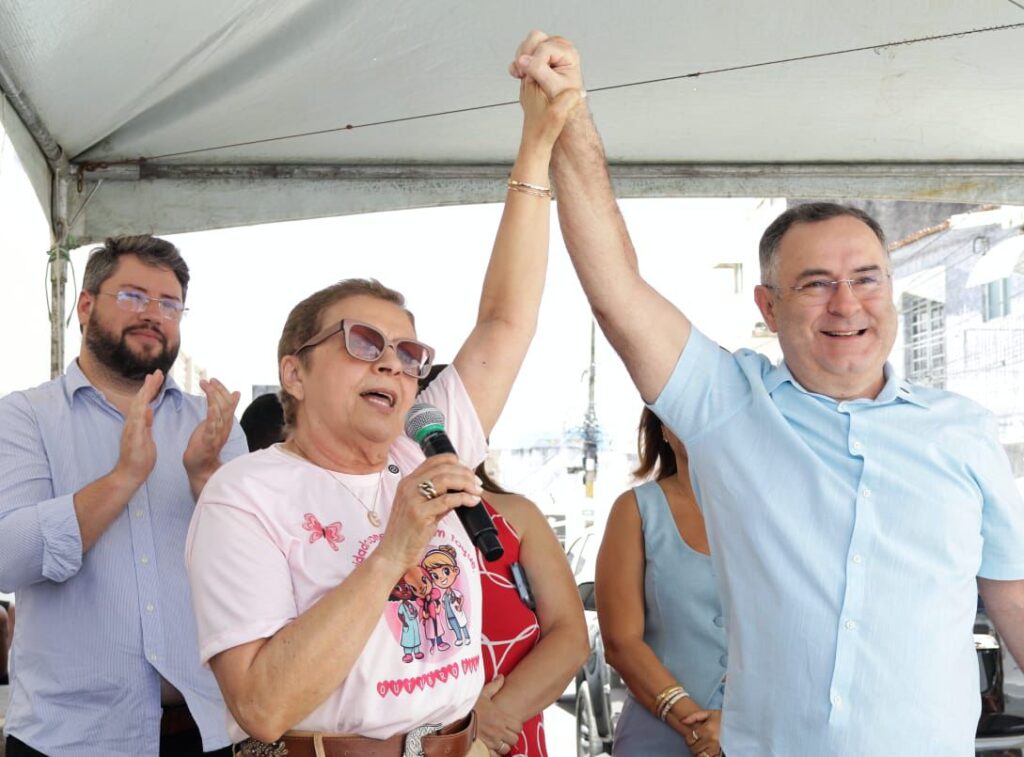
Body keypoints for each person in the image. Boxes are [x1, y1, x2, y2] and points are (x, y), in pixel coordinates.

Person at [509, 32, 1024, 756]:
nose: (847, 304)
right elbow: (618, 294)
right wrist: (572, 118)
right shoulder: (728, 407)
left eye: (867, 277)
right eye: (815, 283)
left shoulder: (964, 429)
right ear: (767, 304)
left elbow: (1014, 603)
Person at [185, 77, 582, 757]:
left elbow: (505, 320)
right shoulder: (244, 496)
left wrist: (536, 145)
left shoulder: (417, 446)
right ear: (294, 372)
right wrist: (394, 547)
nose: (394, 364)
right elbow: (262, 704)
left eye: (407, 350)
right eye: (362, 341)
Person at [0, 235, 246, 757]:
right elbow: (7, 558)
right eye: (133, 296)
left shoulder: (214, 424)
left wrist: (205, 478)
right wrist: (123, 478)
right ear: (85, 305)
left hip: (201, 729)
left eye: (169, 303)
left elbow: (254, 571)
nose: (153, 314)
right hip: (68, 739)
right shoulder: (24, 417)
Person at [598, 409, 725, 757]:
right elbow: (620, 642)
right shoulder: (636, 509)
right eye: (685, 408)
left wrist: (738, 724)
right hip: (658, 735)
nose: (700, 418)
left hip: (767, 734)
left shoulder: (778, 511)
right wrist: (694, 724)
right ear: (663, 429)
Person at [471, 461, 588, 757]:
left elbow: (569, 635)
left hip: (507, 738)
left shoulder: (517, 516)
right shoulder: (369, 517)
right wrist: (457, 723)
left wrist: (487, 726)